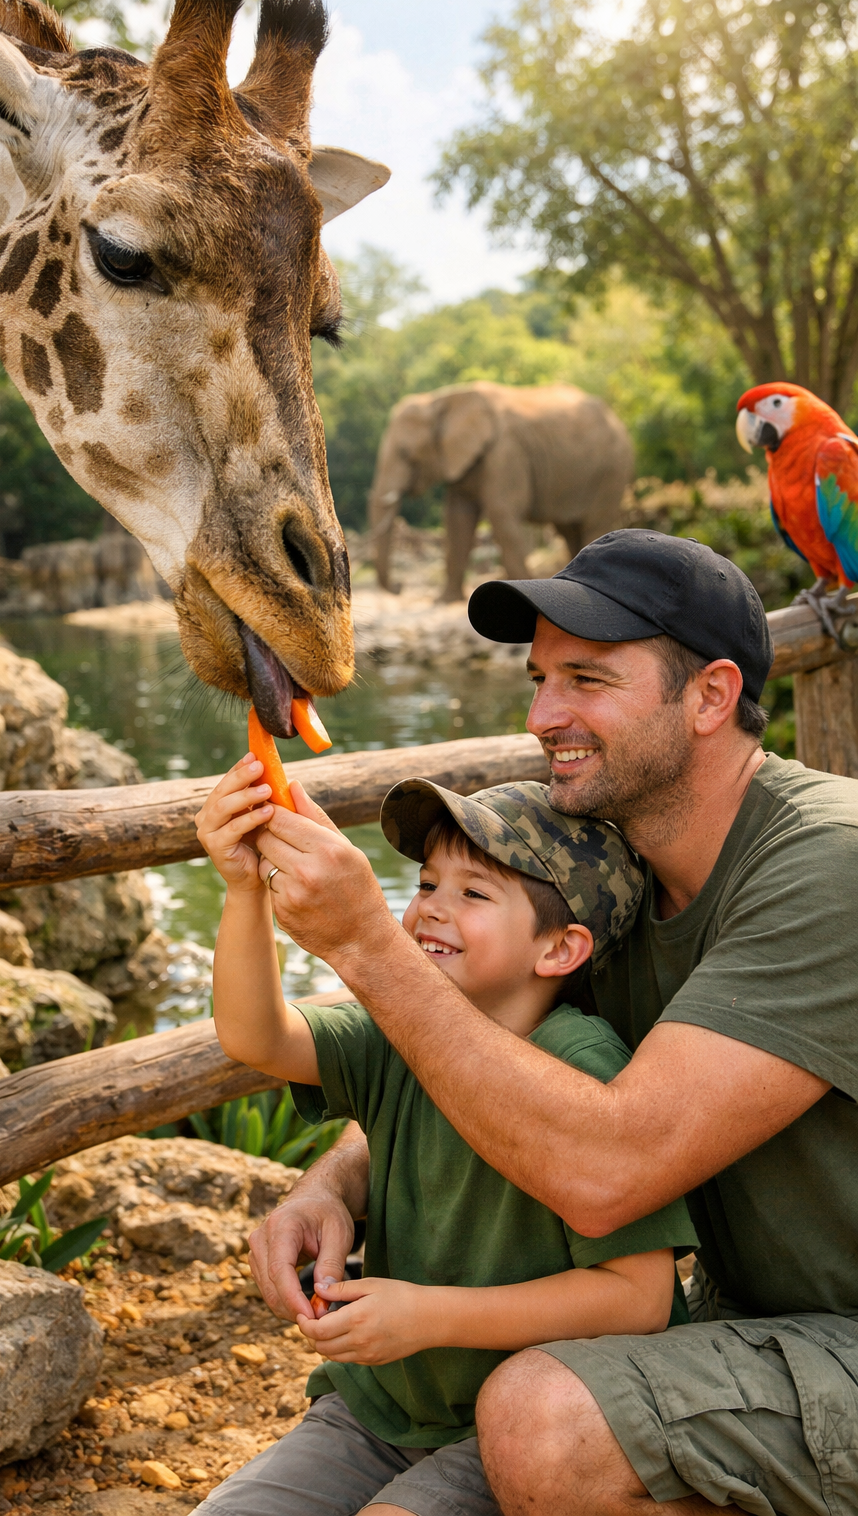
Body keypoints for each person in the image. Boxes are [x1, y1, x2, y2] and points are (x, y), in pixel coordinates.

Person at [239, 529, 858, 1516]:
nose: (541, 715)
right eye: (538, 678)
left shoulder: (829, 868)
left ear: (707, 698)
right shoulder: (617, 882)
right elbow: (522, 1075)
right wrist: (338, 1182)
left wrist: (365, 945)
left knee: (544, 1414)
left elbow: (609, 1173)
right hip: (755, 1330)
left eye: (586, 679)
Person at [193, 766, 698, 1516]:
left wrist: (427, 1316)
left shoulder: (583, 1069)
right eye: (427, 885)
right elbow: (256, 1034)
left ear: (559, 950)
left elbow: (642, 1297)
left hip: (522, 1424)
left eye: (473, 893)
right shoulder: (395, 1031)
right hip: (381, 1412)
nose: (431, 910)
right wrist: (243, 890)